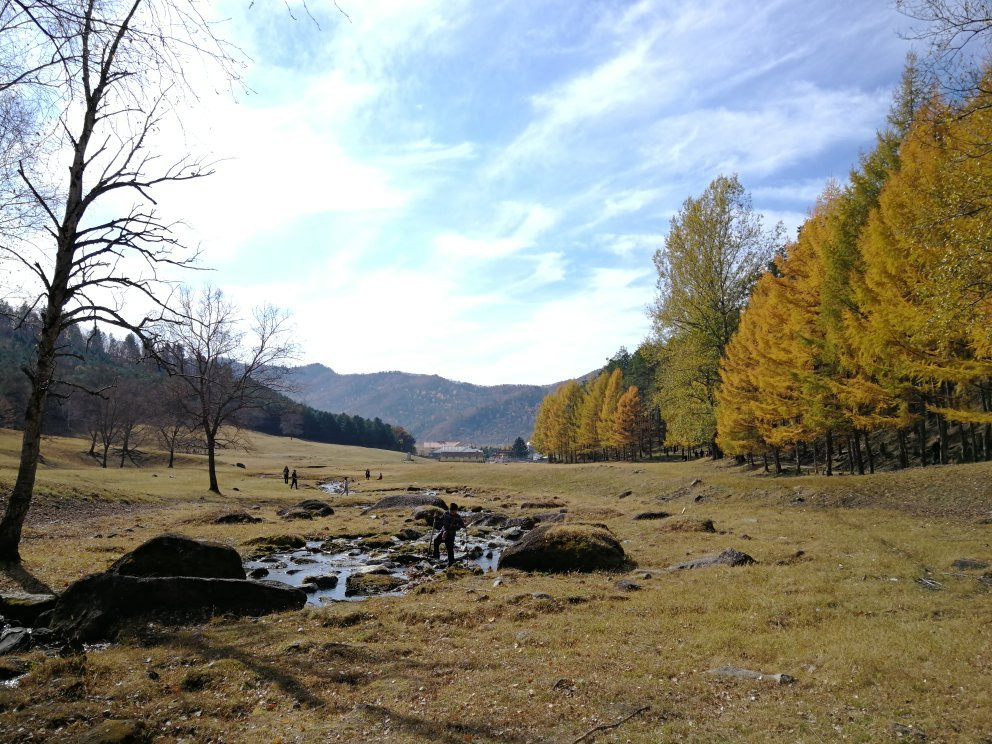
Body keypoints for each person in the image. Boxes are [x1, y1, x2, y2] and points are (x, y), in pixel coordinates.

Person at [432, 502, 466, 567]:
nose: (451, 512)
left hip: (451, 534)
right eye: (451, 510)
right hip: (443, 531)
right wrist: (436, 518)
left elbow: (460, 526)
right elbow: (441, 520)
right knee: (436, 541)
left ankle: (451, 564)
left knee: (449, 549)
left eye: (453, 511)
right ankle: (436, 555)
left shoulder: (458, 517)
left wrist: (464, 526)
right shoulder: (446, 513)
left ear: (456, 510)